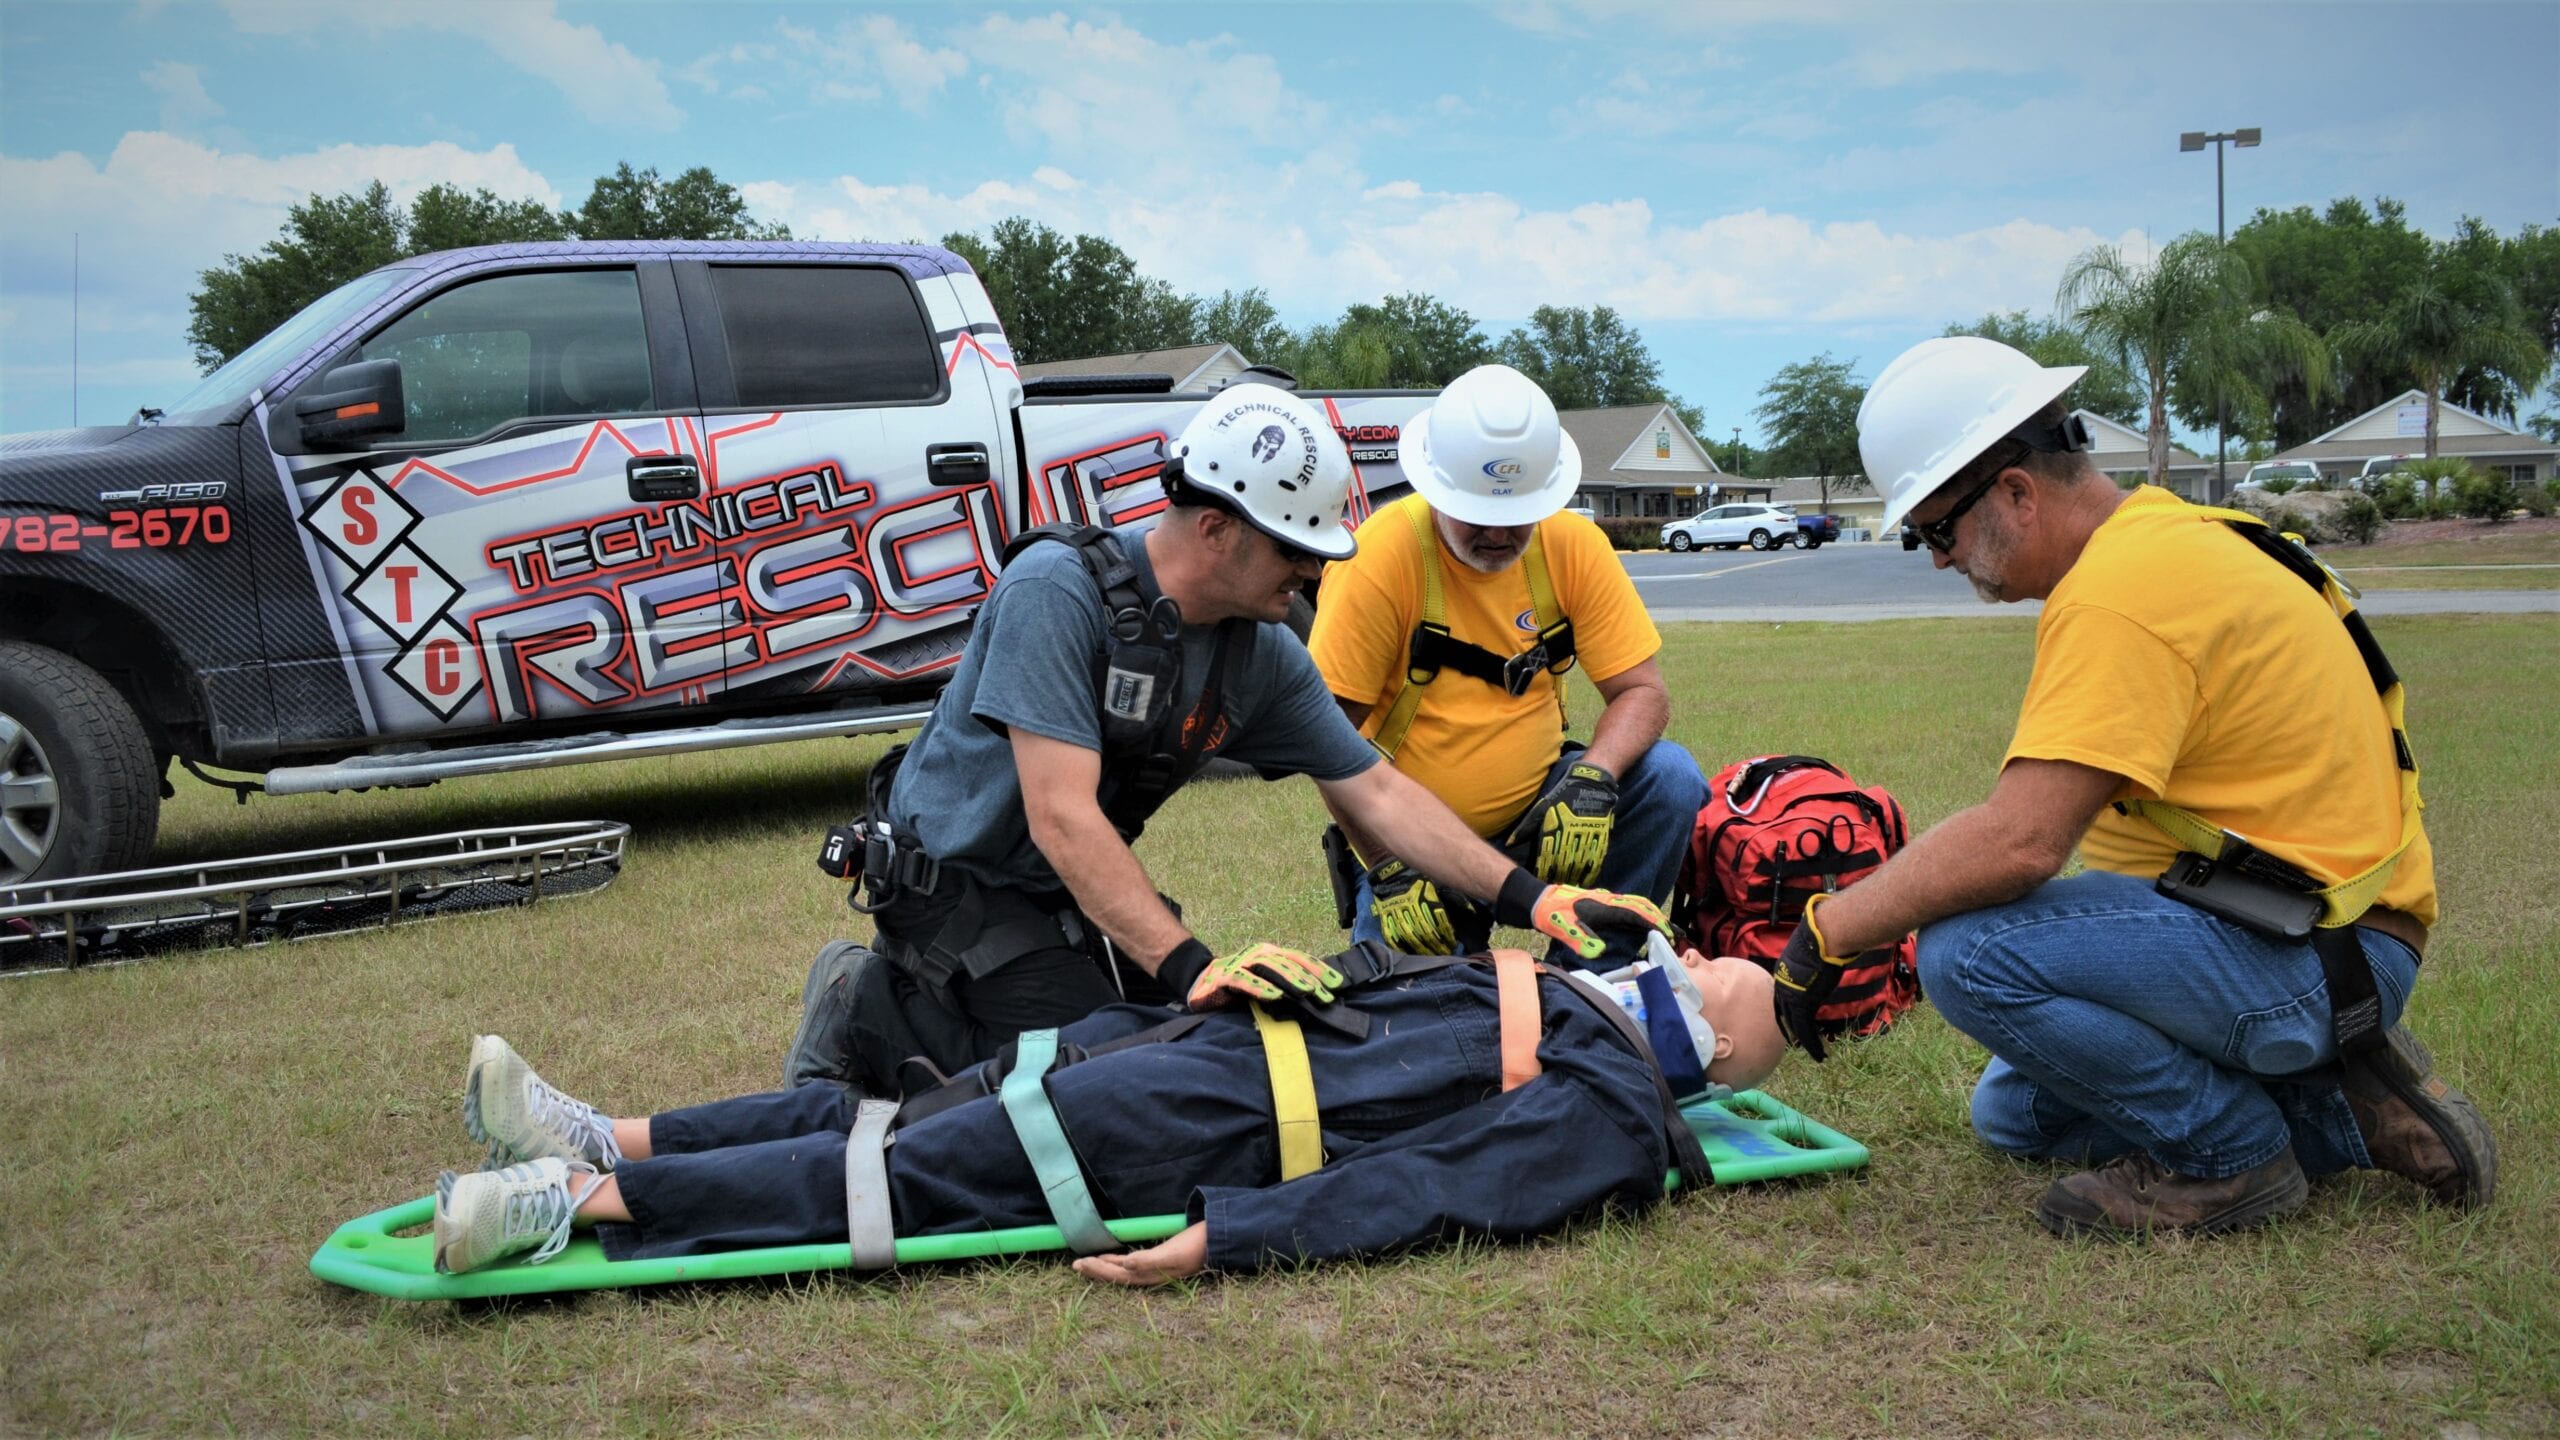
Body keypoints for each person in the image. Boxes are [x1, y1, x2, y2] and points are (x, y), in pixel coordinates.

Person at [1768, 334, 2494, 1239]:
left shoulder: (2121, 594)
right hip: (2315, 932)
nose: (1940, 562)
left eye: (1936, 531)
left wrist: (1825, 934)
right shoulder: (2178, 539)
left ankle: (2232, 1156)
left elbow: (2019, 844)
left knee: (1967, 957)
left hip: (2314, 954)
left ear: (2017, 493)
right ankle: (2345, 1109)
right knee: (2014, 1113)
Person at [788, 383, 1678, 1097]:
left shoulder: (1263, 654)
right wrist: (1194, 968)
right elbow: (1061, 817)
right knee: (1085, 1092)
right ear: (1215, 528)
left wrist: (1536, 898)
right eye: (1296, 548)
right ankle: (864, 1007)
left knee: (1192, 1055)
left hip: (1062, 906)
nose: (1313, 571)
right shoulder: (1055, 591)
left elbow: (1378, 791)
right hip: (956, 894)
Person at [433, 947, 1788, 1282]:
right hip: (1202, 1055)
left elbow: (1437, 1187)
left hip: (1213, 1127)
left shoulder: (1609, 1107)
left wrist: (1239, 1236)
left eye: (1709, 970)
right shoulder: (1560, 993)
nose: (1691, 953)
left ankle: (571, 1205)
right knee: (909, 1104)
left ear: (1708, 1036)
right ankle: (610, 1135)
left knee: (923, 1165)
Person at [1307, 364, 1707, 970]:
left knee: (1670, 777)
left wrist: (1593, 779)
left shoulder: (1572, 546)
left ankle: (1600, 978)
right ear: (1435, 489)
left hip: (1546, 821)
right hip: (1418, 849)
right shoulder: (1379, 560)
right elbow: (1328, 746)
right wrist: (1386, 865)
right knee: (1411, 1025)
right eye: (1475, 512)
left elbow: (1642, 692)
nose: (1498, 533)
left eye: (1518, 512)